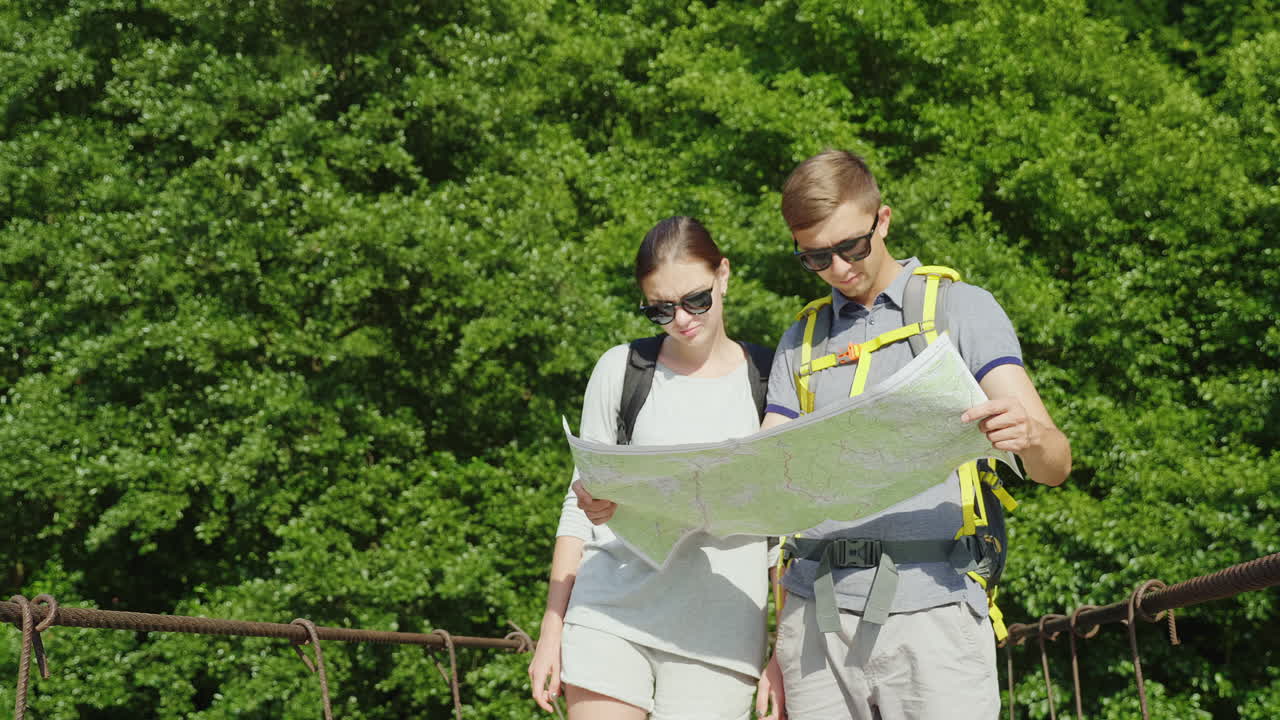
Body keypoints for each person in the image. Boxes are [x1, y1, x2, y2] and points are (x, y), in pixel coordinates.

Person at [757, 149, 1072, 720]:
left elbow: (1056, 464)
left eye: (852, 246)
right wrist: (776, 648)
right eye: (816, 257)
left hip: (934, 613)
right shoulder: (798, 340)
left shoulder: (961, 309)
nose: (840, 268)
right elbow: (774, 501)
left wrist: (1027, 435)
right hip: (813, 626)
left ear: (883, 220)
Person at [527, 217, 782, 720]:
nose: (682, 319)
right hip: (609, 617)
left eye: (696, 300)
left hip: (721, 638)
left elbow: (786, 531)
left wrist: (783, 649)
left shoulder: (771, 381)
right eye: (660, 309)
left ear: (723, 275)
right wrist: (551, 630)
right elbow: (578, 506)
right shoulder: (621, 370)